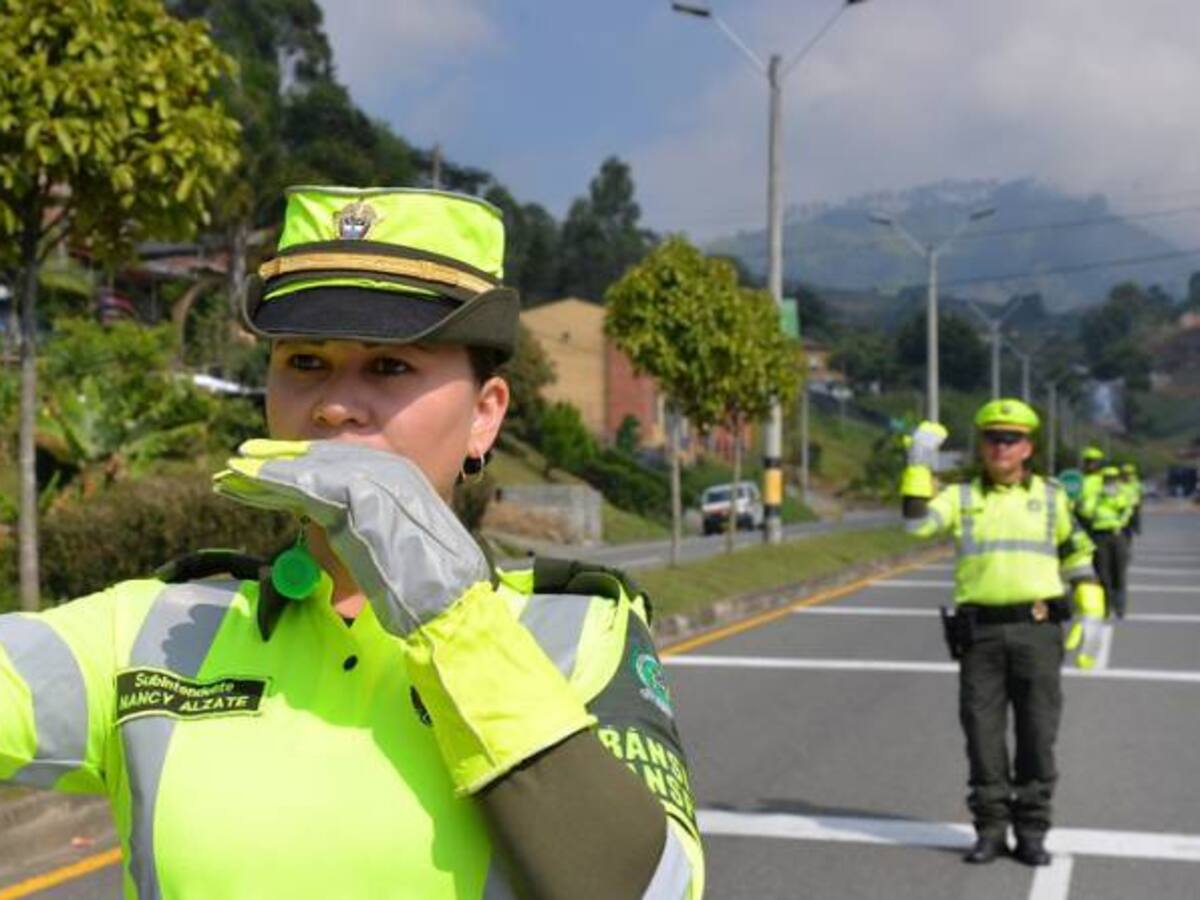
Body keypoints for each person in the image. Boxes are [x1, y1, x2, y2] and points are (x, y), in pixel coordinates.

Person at [0, 187, 704, 899]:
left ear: (484, 417)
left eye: (391, 366)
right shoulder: (155, 628)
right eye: (304, 362)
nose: (334, 404)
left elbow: (657, 890)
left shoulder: (578, 634)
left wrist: (449, 614)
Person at [900, 399, 1101, 867]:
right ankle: (990, 829)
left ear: (1028, 447)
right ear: (981, 444)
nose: (1000, 447)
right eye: (992, 437)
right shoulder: (962, 497)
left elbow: (1077, 553)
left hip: (1038, 632)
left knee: (1037, 734)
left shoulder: (1052, 497)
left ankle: (1032, 830)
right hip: (981, 636)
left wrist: (1091, 606)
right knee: (982, 736)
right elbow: (914, 524)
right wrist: (918, 464)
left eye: (1011, 439)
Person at [1077, 464, 1132, 619]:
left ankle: (1120, 607)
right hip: (1100, 536)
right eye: (1107, 479)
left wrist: (1116, 506)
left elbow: (1127, 510)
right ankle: (1106, 607)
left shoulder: (1121, 494)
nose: (1110, 482)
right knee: (1103, 573)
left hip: (1117, 535)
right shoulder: (1096, 494)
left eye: (1113, 479)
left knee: (1119, 572)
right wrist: (1097, 499)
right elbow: (1086, 511)